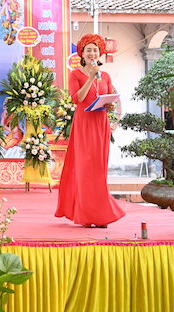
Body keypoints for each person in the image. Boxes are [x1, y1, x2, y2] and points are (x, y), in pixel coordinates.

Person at [55, 33, 125, 228]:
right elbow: (77, 99)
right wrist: (91, 77)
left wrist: (110, 105)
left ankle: (100, 214)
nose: (92, 53)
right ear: (82, 54)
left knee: (99, 169)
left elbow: (108, 98)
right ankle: (87, 214)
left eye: (95, 50)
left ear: (99, 53)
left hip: (100, 122)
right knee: (85, 168)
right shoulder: (75, 74)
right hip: (84, 123)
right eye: (89, 50)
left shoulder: (106, 76)